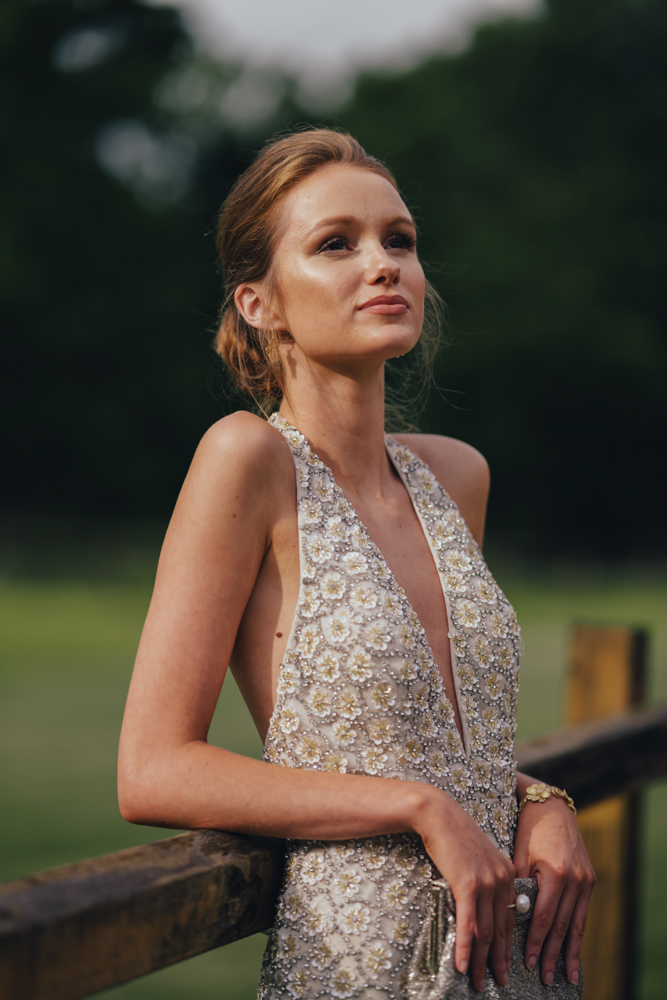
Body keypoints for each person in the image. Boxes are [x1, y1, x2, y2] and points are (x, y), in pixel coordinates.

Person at [118, 129, 594, 999]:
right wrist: (415, 808)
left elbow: (437, 747)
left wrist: (540, 801)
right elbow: (153, 767)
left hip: (508, 963)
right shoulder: (246, 458)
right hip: (353, 966)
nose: (383, 264)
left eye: (398, 240)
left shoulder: (457, 475)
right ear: (259, 303)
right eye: (336, 243)